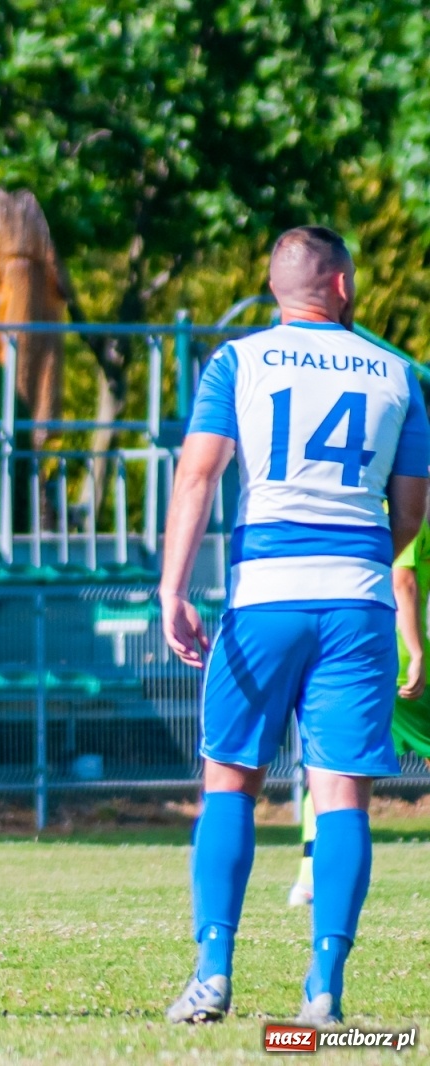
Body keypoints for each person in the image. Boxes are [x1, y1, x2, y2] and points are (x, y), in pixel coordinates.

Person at [159, 226, 429, 1027]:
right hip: (357, 600)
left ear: (278, 289)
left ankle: (212, 973)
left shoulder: (237, 361)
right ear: (342, 287)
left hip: (262, 597)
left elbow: (199, 473)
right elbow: (410, 511)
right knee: (342, 791)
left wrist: (173, 588)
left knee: (230, 782)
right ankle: (323, 994)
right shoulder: (400, 374)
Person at [290, 517, 430, 905]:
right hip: (396, 658)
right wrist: (417, 650)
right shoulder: (404, 514)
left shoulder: (356, 511)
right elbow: (402, 581)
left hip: (348, 652)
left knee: (331, 765)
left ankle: (308, 879)